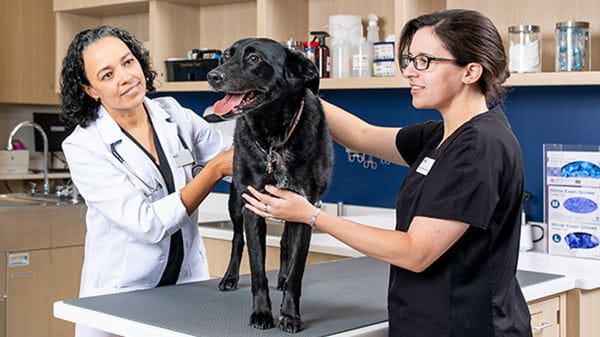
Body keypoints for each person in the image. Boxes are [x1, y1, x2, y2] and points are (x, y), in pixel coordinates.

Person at [243, 9, 532, 337]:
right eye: (409, 59)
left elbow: (415, 252)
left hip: (465, 327)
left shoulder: (478, 146)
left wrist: (311, 216)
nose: (409, 71)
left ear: (471, 71)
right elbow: (363, 136)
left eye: (424, 61)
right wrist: (289, 92)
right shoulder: (442, 136)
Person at [60, 26, 233, 337]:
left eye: (128, 63)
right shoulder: (84, 146)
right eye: (107, 74)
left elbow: (231, 155)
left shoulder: (173, 114)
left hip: (185, 292)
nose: (125, 77)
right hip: (121, 300)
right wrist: (213, 172)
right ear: (90, 90)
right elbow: (148, 224)